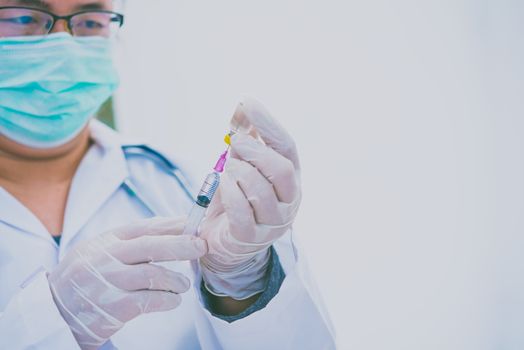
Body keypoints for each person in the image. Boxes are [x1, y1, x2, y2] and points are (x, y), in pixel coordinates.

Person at [0, 0, 336, 349]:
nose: (65, 46)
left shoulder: (180, 183)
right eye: (24, 16)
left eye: (90, 21)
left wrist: (245, 286)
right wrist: (41, 324)